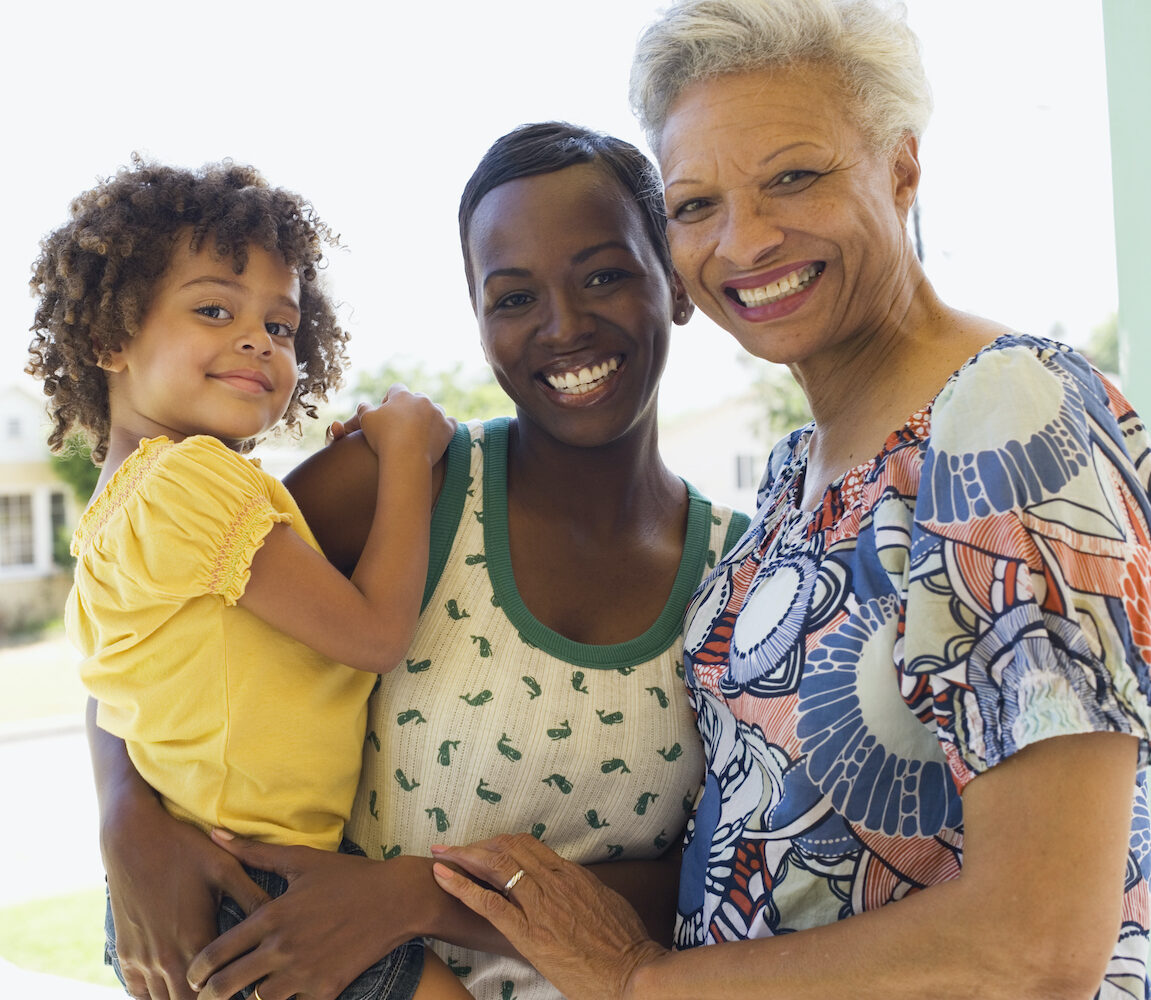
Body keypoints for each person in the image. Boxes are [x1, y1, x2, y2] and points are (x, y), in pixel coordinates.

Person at [428, 3, 1151, 999]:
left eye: (793, 177)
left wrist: (638, 981)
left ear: (899, 168)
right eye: (693, 205)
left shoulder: (1003, 415)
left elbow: (1033, 943)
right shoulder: (788, 476)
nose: (745, 240)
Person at [86, 126, 751, 1000]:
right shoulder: (401, 483)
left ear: (675, 282)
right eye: (512, 297)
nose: (562, 324)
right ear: (477, 318)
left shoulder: (746, 573)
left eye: (603, 275)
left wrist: (413, 900)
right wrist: (127, 824)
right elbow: (153, 641)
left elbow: (724, 884)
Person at [26, 158, 467, 1000]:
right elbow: (374, 636)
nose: (259, 339)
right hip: (252, 889)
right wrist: (407, 450)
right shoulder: (190, 479)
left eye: (283, 325)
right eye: (214, 309)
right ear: (108, 337)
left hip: (200, 879)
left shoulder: (114, 516)